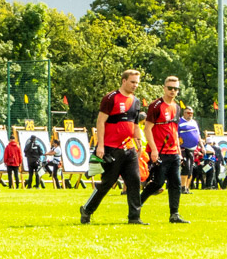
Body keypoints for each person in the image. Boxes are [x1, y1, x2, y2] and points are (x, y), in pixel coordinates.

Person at [80, 69, 145, 225]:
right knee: (108, 182)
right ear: (124, 81)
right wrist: (100, 145)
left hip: (129, 148)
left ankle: (134, 217)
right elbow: (100, 121)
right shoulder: (111, 98)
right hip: (111, 148)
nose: (135, 85)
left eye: (137, 83)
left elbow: (135, 124)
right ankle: (87, 210)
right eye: (132, 82)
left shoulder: (136, 101)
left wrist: (138, 142)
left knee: (134, 181)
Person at [137, 76, 190, 223]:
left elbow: (174, 130)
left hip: (173, 152)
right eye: (170, 88)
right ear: (164, 88)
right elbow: (148, 128)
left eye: (176, 89)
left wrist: (178, 150)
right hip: (160, 151)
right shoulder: (156, 106)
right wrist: (153, 150)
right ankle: (137, 204)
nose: (173, 91)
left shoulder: (177, 107)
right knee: (158, 183)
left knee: (176, 183)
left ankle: (174, 214)